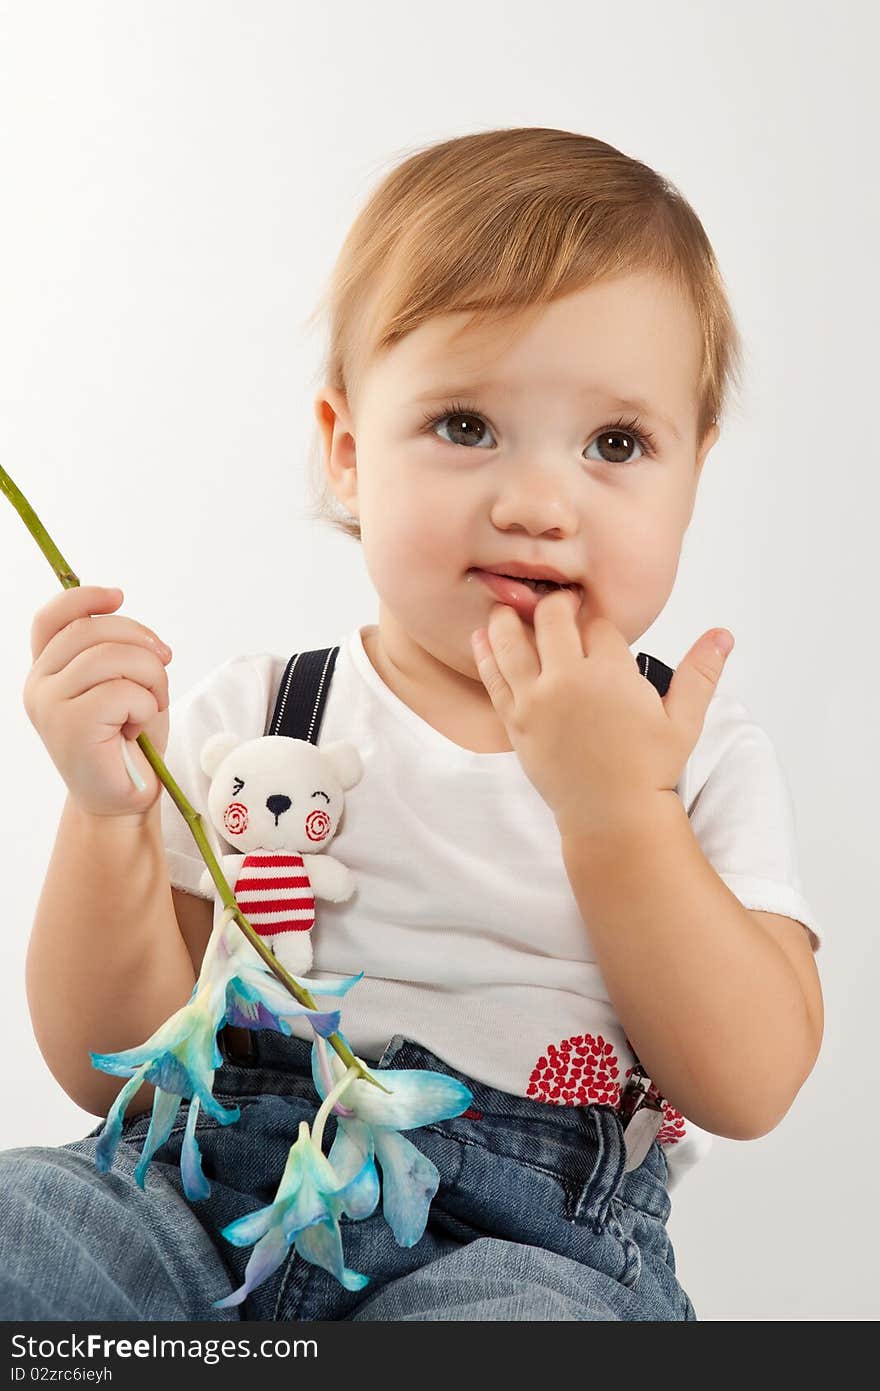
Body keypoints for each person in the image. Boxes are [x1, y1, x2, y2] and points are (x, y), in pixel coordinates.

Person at [0, 127, 824, 1322]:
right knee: (27, 1226)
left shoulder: (685, 746)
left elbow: (749, 1080)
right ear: (346, 451)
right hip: (195, 1203)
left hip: (532, 1253)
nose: (538, 502)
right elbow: (103, 1059)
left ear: (693, 470)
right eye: (465, 426)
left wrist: (616, 812)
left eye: (614, 443)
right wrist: (103, 811)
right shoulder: (261, 713)